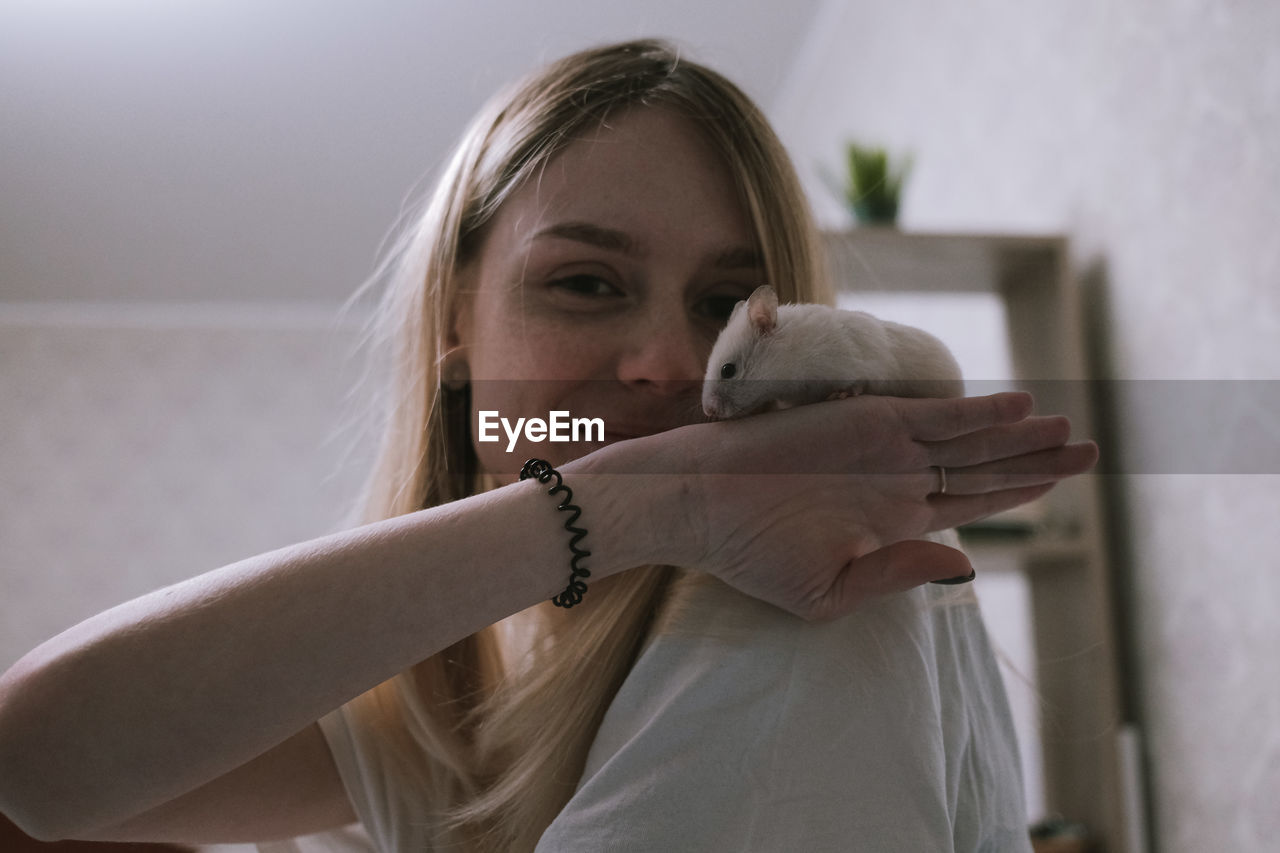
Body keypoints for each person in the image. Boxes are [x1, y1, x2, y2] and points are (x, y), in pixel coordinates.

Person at [0, 39, 1097, 852]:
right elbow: (39, 768)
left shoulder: (826, 595)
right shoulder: (440, 713)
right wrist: (639, 502)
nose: (664, 361)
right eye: (584, 283)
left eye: (726, 297)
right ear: (453, 331)